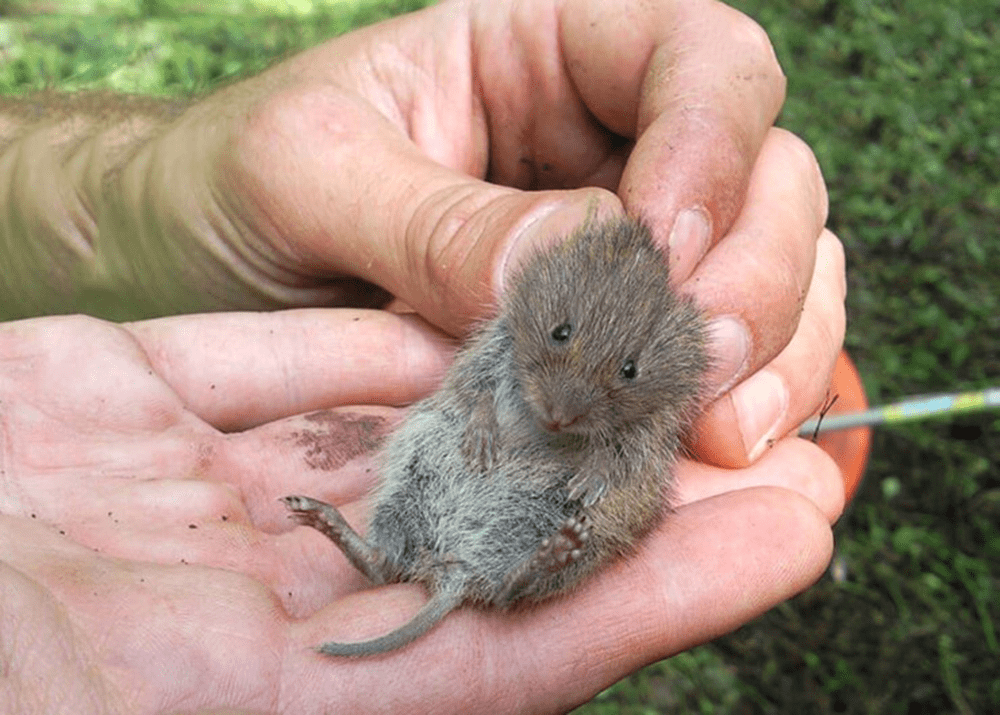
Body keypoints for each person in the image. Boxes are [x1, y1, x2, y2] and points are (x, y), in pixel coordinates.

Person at [0, 0, 846, 712]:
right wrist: (484, 407)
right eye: (558, 342)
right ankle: (379, 552)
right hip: (456, 473)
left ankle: (503, 576)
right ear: (544, 295)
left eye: (623, 375)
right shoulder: (526, 305)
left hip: (526, 530)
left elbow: (626, 487)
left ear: (672, 365)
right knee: (424, 445)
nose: (564, 402)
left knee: (591, 526)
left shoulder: (661, 398)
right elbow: (480, 382)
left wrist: (586, 520)